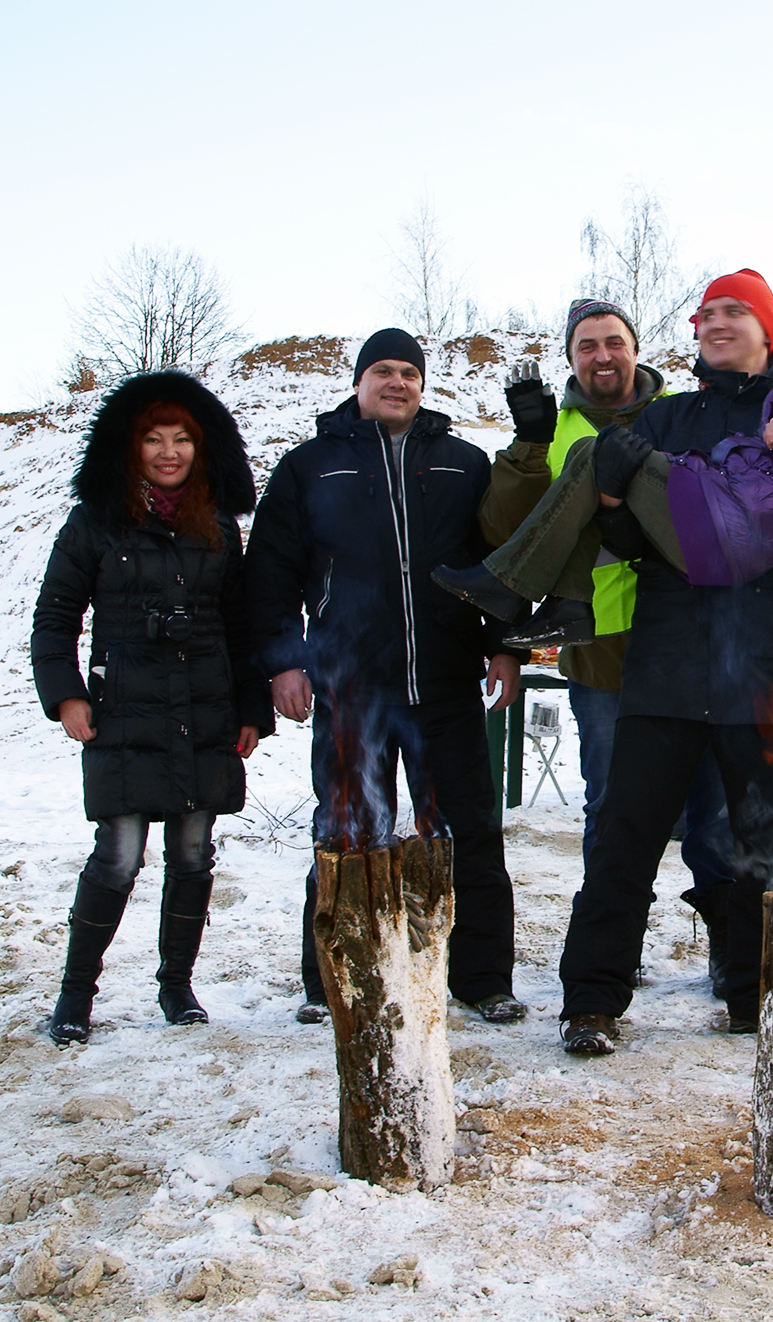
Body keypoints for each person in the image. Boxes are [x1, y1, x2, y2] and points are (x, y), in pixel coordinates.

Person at [550, 270, 773, 1055]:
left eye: (736, 311)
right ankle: (592, 1000)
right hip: (669, 656)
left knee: (764, 843)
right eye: (707, 313)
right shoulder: (666, 418)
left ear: (770, 329)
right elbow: (632, 542)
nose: (717, 323)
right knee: (624, 836)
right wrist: (615, 501)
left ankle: (757, 995)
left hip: (771, 657)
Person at [245, 329, 529, 1019]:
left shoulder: (464, 463)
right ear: (358, 383)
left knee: (468, 836)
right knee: (348, 835)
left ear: (422, 386)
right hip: (352, 688)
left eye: (409, 372)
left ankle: (482, 981)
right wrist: (285, 662)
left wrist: (505, 647)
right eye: (382, 370)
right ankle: (333, 983)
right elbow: (270, 572)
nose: (397, 382)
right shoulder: (311, 465)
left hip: (446, 683)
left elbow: (500, 560)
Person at [471, 300, 740, 983]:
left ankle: (731, 950)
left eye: (613, 341)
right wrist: (529, 444)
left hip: (689, 638)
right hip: (601, 647)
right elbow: (505, 529)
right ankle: (616, 949)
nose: (601, 355)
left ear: (634, 348)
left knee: (711, 811)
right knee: (612, 811)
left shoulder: (680, 412)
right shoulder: (555, 428)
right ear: (570, 359)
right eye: (586, 345)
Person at [30, 372, 272, 1045]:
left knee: (193, 854)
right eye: (154, 439)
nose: (169, 452)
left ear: (201, 447)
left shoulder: (217, 525)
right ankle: (76, 994)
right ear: (130, 447)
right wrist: (66, 695)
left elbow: (240, 626)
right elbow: (55, 616)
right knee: (118, 855)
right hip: (124, 713)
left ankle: (177, 987)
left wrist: (251, 707)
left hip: (205, 710)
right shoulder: (95, 522)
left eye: (182, 439)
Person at [433, 302, 773, 636]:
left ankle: (518, 588)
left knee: (600, 449)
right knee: (592, 450)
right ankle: (566, 602)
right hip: (728, 515)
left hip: (740, 537)